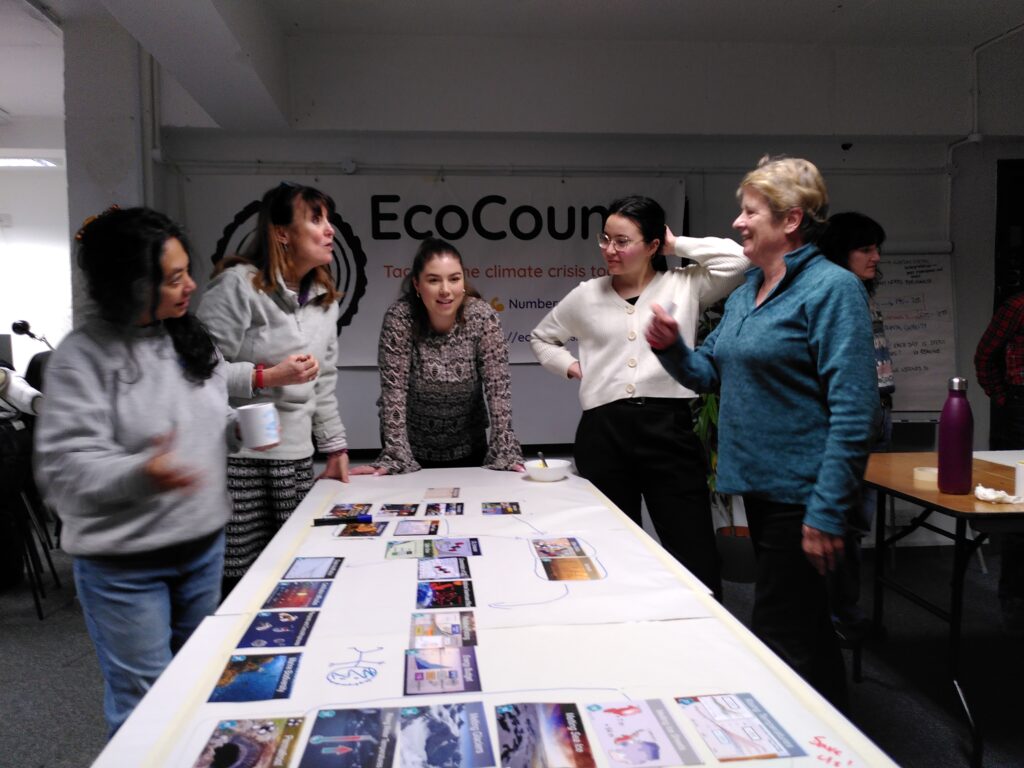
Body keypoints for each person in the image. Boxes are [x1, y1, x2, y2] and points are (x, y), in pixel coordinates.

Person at [645, 157, 879, 707]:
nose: (738, 223)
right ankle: (837, 739)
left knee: (779, 632)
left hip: (804, 493)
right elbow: (709, 373)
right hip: (762, 486)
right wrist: (671, 348)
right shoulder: (752, 287)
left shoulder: (831, 290)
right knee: (805, 629)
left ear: (791, 220)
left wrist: (826, 513)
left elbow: (854, 412)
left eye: (750, 212)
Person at [34, 207, 237, 735]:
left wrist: (235, 430)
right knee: (146, 707)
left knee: (196, 686)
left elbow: (207, 417)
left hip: (201, 548)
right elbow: (63, 472)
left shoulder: (188, 337)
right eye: (173, 279)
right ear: (130, 285)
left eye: (186, 270)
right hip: (125, 566)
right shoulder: (83, 357)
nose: (191, 285)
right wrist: (142, 473)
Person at [530, 196, 749, 599]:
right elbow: (542, 338)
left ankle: (701, 629)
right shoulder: (585, 295)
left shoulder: (685, 284)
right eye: (605, 239)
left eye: (623, 241)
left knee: (692, 544)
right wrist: (571, 367)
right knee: (608, 542)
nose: (610, 250)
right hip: (604, 431)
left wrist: (676, 244)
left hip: (669, 429)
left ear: (652, 246)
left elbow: (738, 260)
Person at [198, 182, 350, 591]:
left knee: (294, 577)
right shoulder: (237, 286)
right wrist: (266, 376)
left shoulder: (325, 300)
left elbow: (325, 381)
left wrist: (334, 447)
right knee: (240, 582)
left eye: (329, 220)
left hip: (296, 460)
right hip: (240, 460)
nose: (329, 230)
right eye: (315, 219)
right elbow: (195, 374)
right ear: (282, 232)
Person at [352, 238, 524, 475]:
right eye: (434, 280)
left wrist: (504, 451)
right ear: (417, 284)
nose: (445, 290)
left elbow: (498, 388)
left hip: (468, 444)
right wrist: (396, 456)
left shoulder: (483, 317)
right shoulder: (400, 318)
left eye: (454, 278)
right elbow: (394, 393)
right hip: (409, 448)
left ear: (463, 281)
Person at [817, 211, 893, 638]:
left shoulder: (862, 291)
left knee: (856, 523)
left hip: (879, 411)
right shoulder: (834, 295)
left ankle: (842, 613)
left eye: (876, 248)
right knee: (841, 522)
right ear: (839, 252)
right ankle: (838, 619)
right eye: (866, 249)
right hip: (850, 417)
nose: (876, 257)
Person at [974, 293, 1024, 634]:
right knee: (1020, 514)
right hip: (1022, 410)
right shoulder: (1019, 306)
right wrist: (1004, 399)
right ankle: (1016, 606)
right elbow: (985, 356)